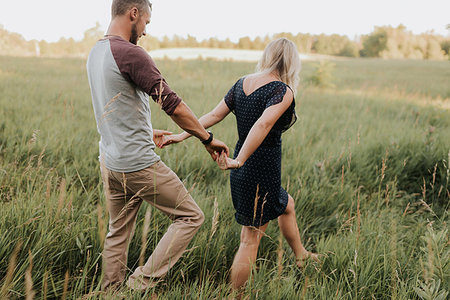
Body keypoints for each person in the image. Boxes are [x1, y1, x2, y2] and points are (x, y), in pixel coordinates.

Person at [86, 0, 229, 292]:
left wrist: (144, 130)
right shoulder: (131, 53)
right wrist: (208, 139)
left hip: (110, 160)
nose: (146, 31)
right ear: (134, 13)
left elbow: (111, 104)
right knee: (190, 216)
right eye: (147, 23)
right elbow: (174, 106)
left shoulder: (96, 51)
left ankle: (110, 292)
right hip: (137, 164)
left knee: (117, 231)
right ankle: (139, 284)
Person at [159, 38, 319, 290]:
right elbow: (263, 124)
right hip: (258, 168)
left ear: (267, 56)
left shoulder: (242, 83)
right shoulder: (282, 91)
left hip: (243, 168)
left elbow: (213, 115)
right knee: (250, 239)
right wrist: (241, 159)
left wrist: (181, 135)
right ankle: (237, 295)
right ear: (292, 63)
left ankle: (300, 256)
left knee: (287, 204)